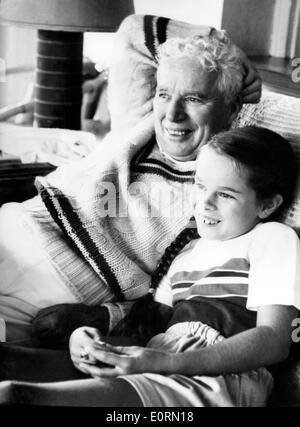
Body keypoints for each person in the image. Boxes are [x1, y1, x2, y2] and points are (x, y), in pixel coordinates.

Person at [1, 126, 299, 407]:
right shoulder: (186, 254)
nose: (204, 203)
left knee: (15, 397)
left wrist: (164, 362)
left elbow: (274, 341)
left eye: (225, 194)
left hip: (219, 378)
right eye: (201, 186)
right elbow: (147, 333)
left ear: (267, 205)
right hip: (160, 356)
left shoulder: (273, 238)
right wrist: (92, 344)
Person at [0, 31, 260, 346]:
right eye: (164, 94)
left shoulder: (227, 186)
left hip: (57, 283)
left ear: (231, 107)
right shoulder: (137, 122)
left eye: (194, 98)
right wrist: (235, 55)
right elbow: (133, 34)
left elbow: (174, 294)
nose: (172, 113)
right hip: (13, 229)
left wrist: (109, 316)